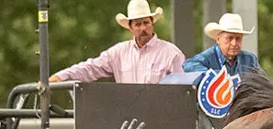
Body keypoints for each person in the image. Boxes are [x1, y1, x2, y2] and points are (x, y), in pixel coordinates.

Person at [49, 0, 184, 84]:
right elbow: (91, 67)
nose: (143, 28)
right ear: (130, 27)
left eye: (146, 23)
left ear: (152, 23)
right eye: (138, 24)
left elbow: (183, 89)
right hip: (127, 117)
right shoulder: (119, 53)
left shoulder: (171, 53)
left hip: (161, 119)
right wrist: (61, 77)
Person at [182, 13, 260, 76]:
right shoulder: (208, 57)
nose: (234, 43)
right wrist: (212, 75)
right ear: (218, 39)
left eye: (238, 39)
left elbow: (262, 82)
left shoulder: (250, 59)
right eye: (229, 38)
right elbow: (188, 65)